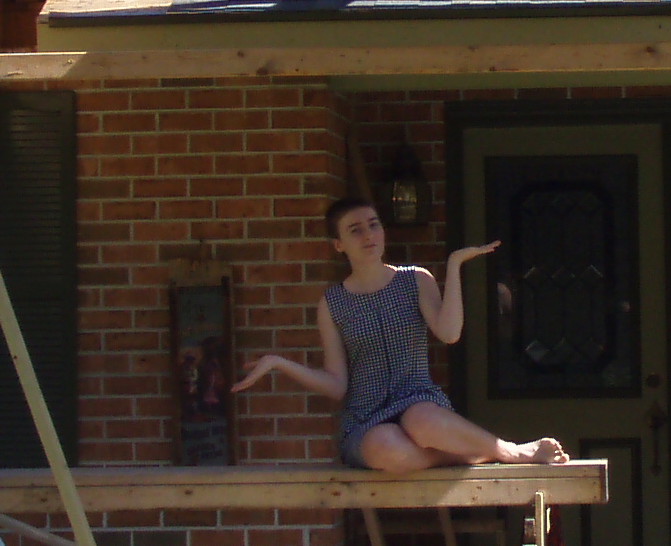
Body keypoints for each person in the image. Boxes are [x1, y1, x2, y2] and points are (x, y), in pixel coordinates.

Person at [234, 197, 569, 472]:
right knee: (386, 448)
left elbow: (449, 333)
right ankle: (469, 453)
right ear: (339, 244)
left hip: (417, 402)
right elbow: (337, 385)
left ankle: (509, 451)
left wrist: (453, 266)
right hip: (366, 422)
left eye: (373, 225)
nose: (368, 235)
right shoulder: (332, 302)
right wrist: (279, 363)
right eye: (355, 230)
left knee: (423, 421)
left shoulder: (414, 280)